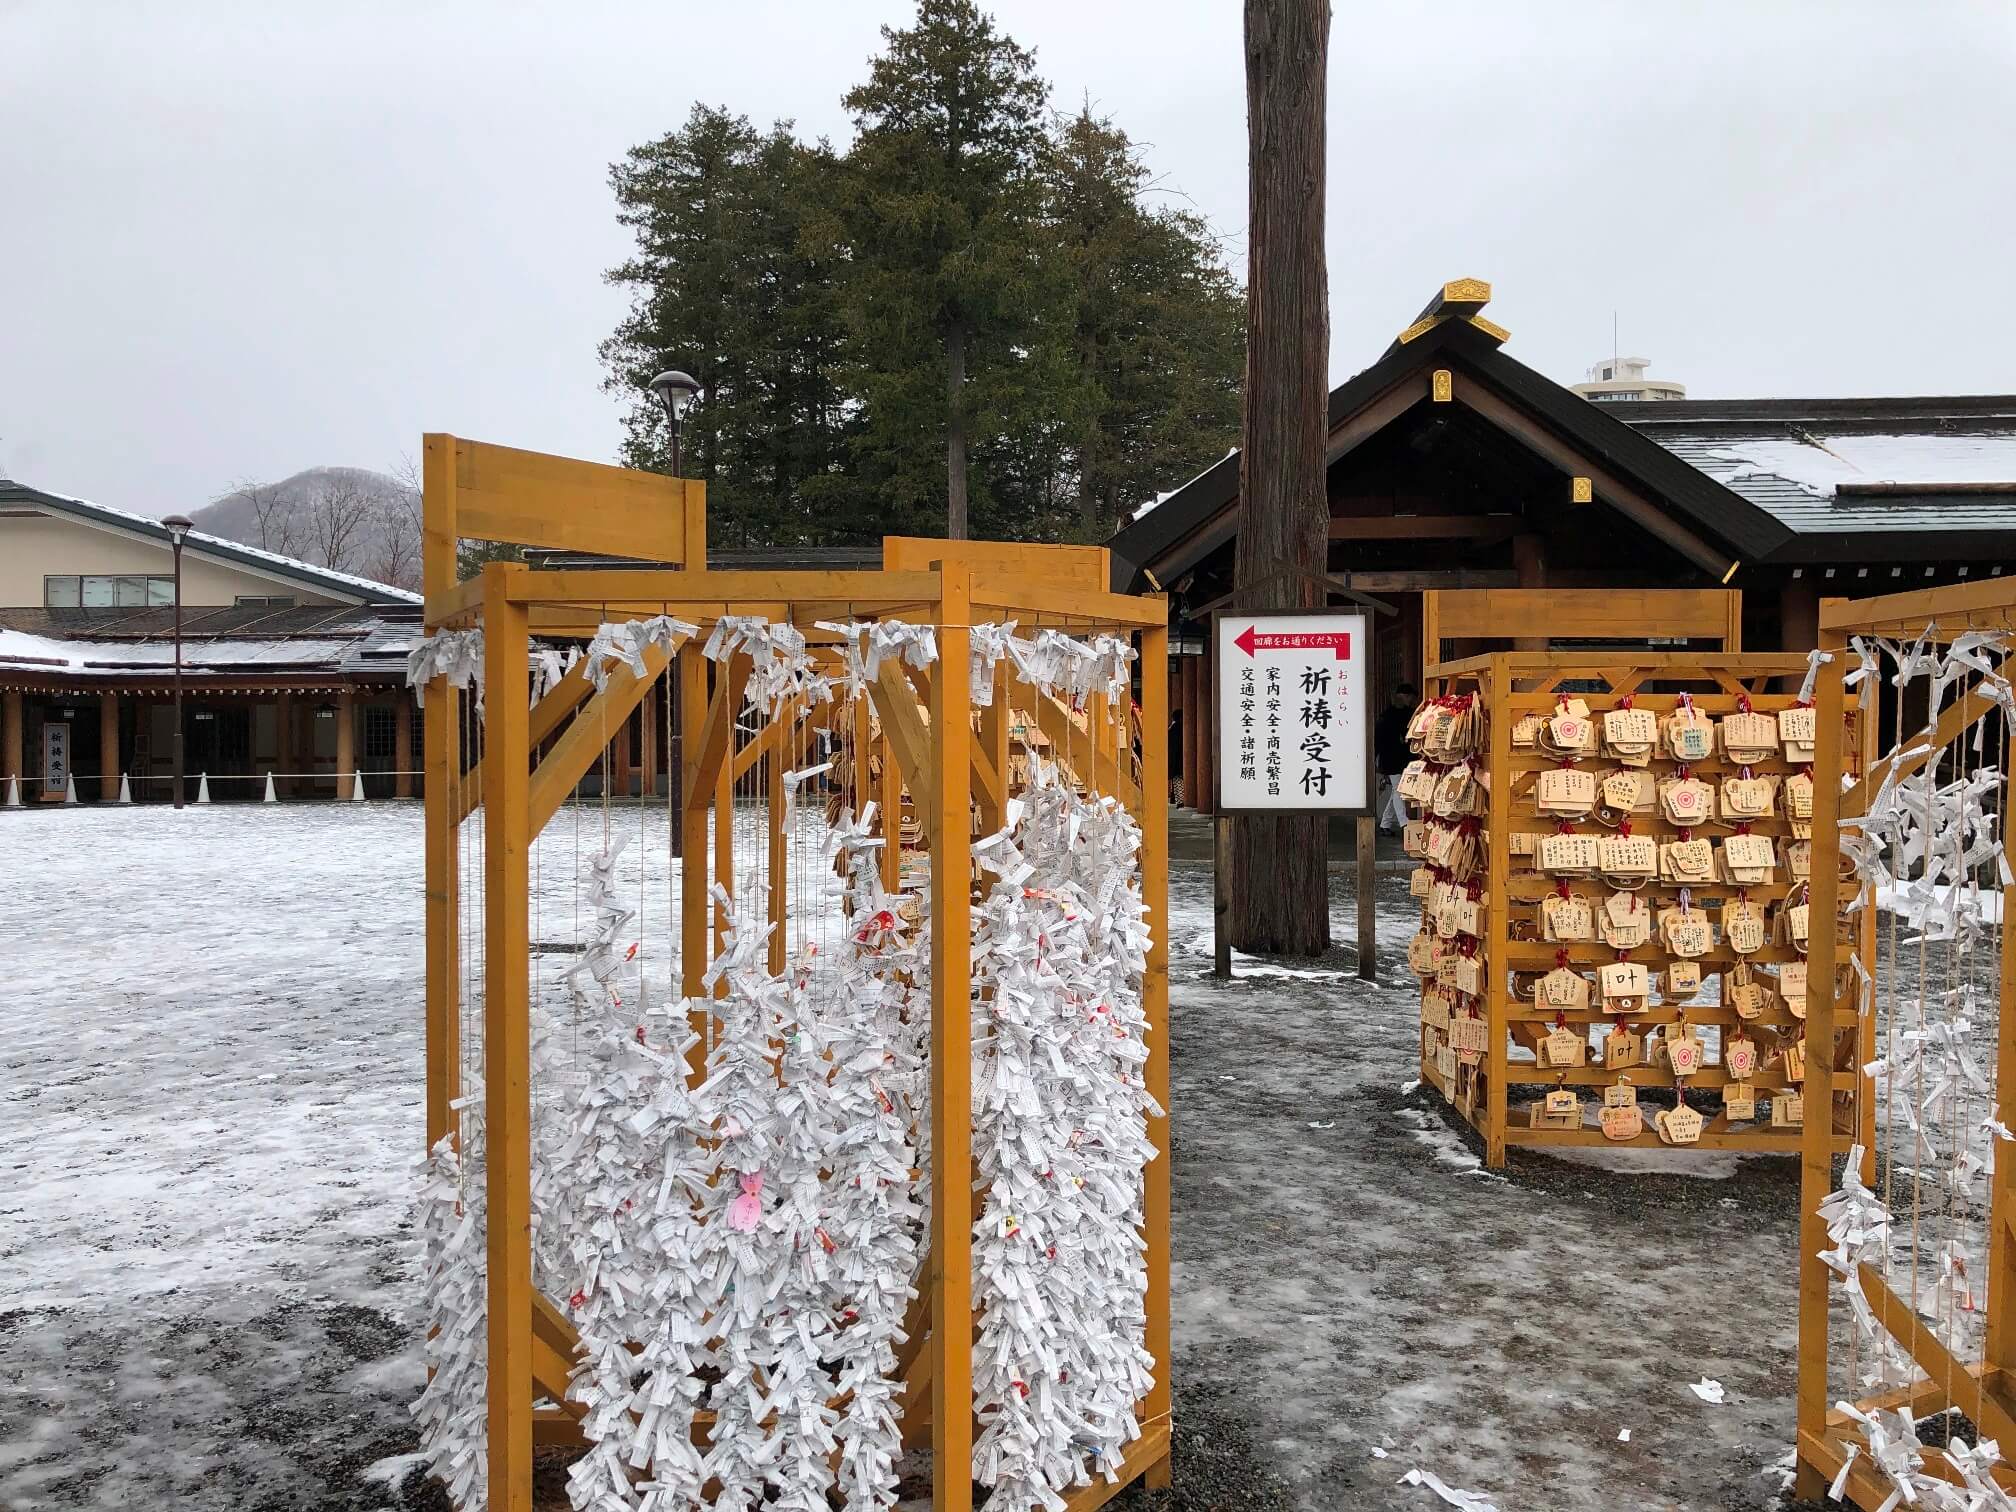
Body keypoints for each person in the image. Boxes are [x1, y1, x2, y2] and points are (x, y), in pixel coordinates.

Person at [1374, 683, 1416, 834]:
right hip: (1393, 759)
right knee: (1399, 790)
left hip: (1397, 758)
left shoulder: (1389, 715)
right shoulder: (1391, 716)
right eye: (1409, 697)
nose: (1411, 700)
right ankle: (1404, 823)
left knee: (1396, 791)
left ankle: (1385, 823)